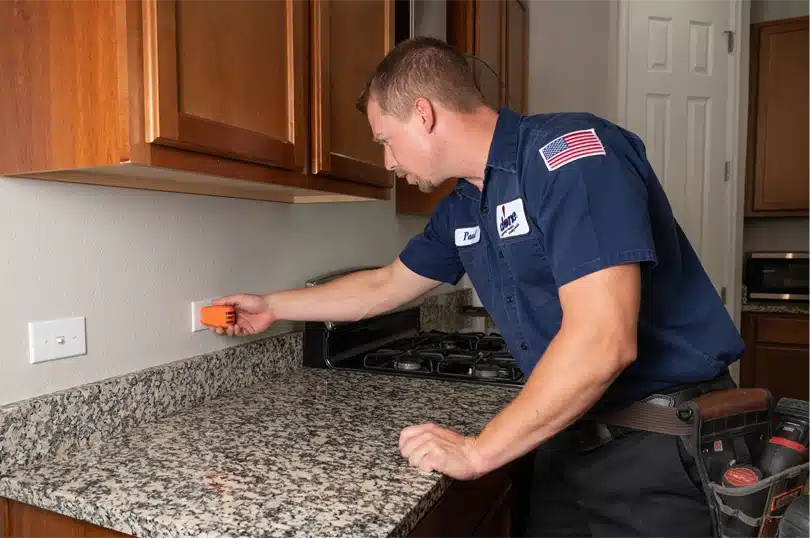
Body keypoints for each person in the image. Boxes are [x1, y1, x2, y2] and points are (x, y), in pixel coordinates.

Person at [210, 37, 745, 538]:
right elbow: (385, 285)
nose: (388, 162)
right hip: (564, 437)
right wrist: (272, 306)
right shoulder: (466, 206)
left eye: (385, 141)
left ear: (423, 114)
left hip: (657, 445)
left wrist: (478, 451)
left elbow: (603, 340)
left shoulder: (575, 157)